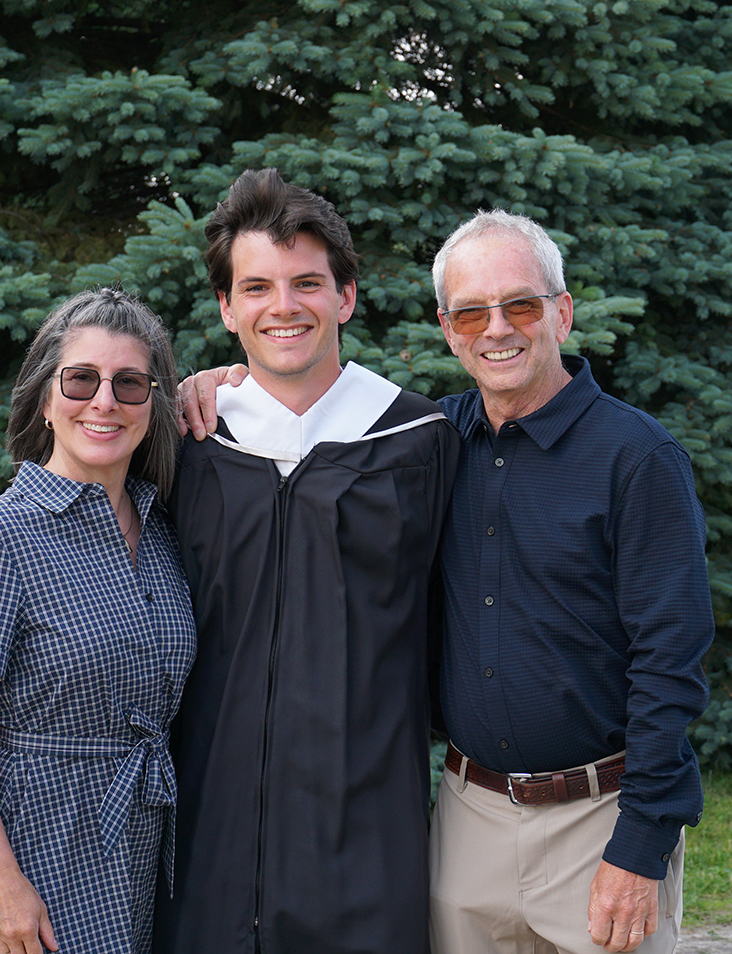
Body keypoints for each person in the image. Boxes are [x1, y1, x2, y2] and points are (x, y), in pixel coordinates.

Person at [156, 168, 459, 954]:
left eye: (307, 283)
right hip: (212, 827)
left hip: (367, 828)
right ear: (227, 308)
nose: (282, 306)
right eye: (255, 287)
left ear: (345, 297)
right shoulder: (189, 446)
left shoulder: (418, 442)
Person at [426, 210, 713, 954]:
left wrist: (640, 843)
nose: (498, 328)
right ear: (448, 328)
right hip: (467, 820)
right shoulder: (429, 444)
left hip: (601, 822)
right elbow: (305, 418)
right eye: (472, 311)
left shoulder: (638, 458)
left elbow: (670, 662)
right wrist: (214, 385)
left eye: (520, 304)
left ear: (561, 311)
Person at [0, 288, 196, 954]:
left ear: (151, 405)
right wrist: (0, 878)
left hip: (142, 831)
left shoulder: (164, 530)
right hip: (36, 834)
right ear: (45, 397)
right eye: (81, 379)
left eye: (130, 383)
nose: (104, 401)